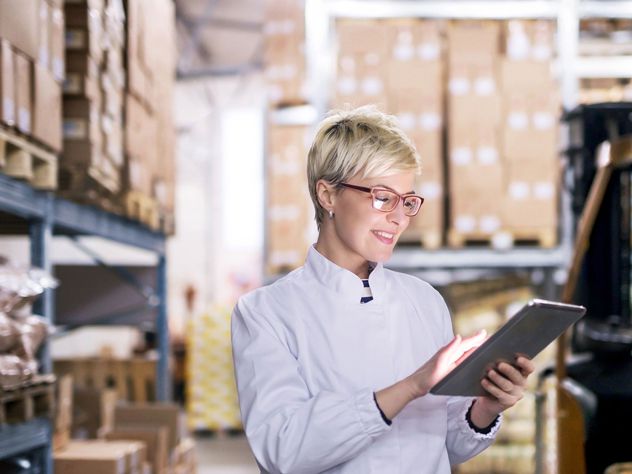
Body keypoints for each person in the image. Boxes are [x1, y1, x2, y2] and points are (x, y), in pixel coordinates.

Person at [231, 106, 535, 473]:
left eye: (407, 201)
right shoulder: (265, 313)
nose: (399, 217)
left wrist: (486, 406)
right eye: (381, 197)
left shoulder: (424, 300)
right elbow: (283, 448)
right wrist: (410, 387)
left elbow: (448, 446)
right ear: (327, 196)